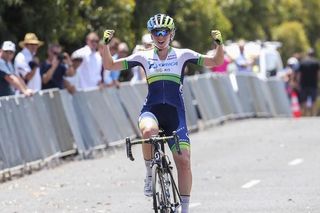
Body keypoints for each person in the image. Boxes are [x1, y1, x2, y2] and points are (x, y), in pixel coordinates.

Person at [101, 14, 224, 213]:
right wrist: (104, 46)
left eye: (164, 31)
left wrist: (219, 44)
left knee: (183, 161)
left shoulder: (183, 54)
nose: (160, 36)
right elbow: (110, 65)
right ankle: (149, 173)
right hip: (152, 111)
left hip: (176, 116)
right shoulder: (143, 56)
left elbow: (216, 61)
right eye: (156, 32)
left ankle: (184, 209)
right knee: (148, 132)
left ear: (171, 33)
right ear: (151, 35)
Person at [297, 48, 320, 116]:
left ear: (307, 54)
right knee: (313, 101)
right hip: (313, 84)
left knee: (303, 101)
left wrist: (298, 83)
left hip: (304, 84)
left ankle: (305, 115)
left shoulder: (302, 62)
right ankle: (313, 115)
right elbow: (318, 74)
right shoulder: (316, 62)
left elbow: (299, 75)